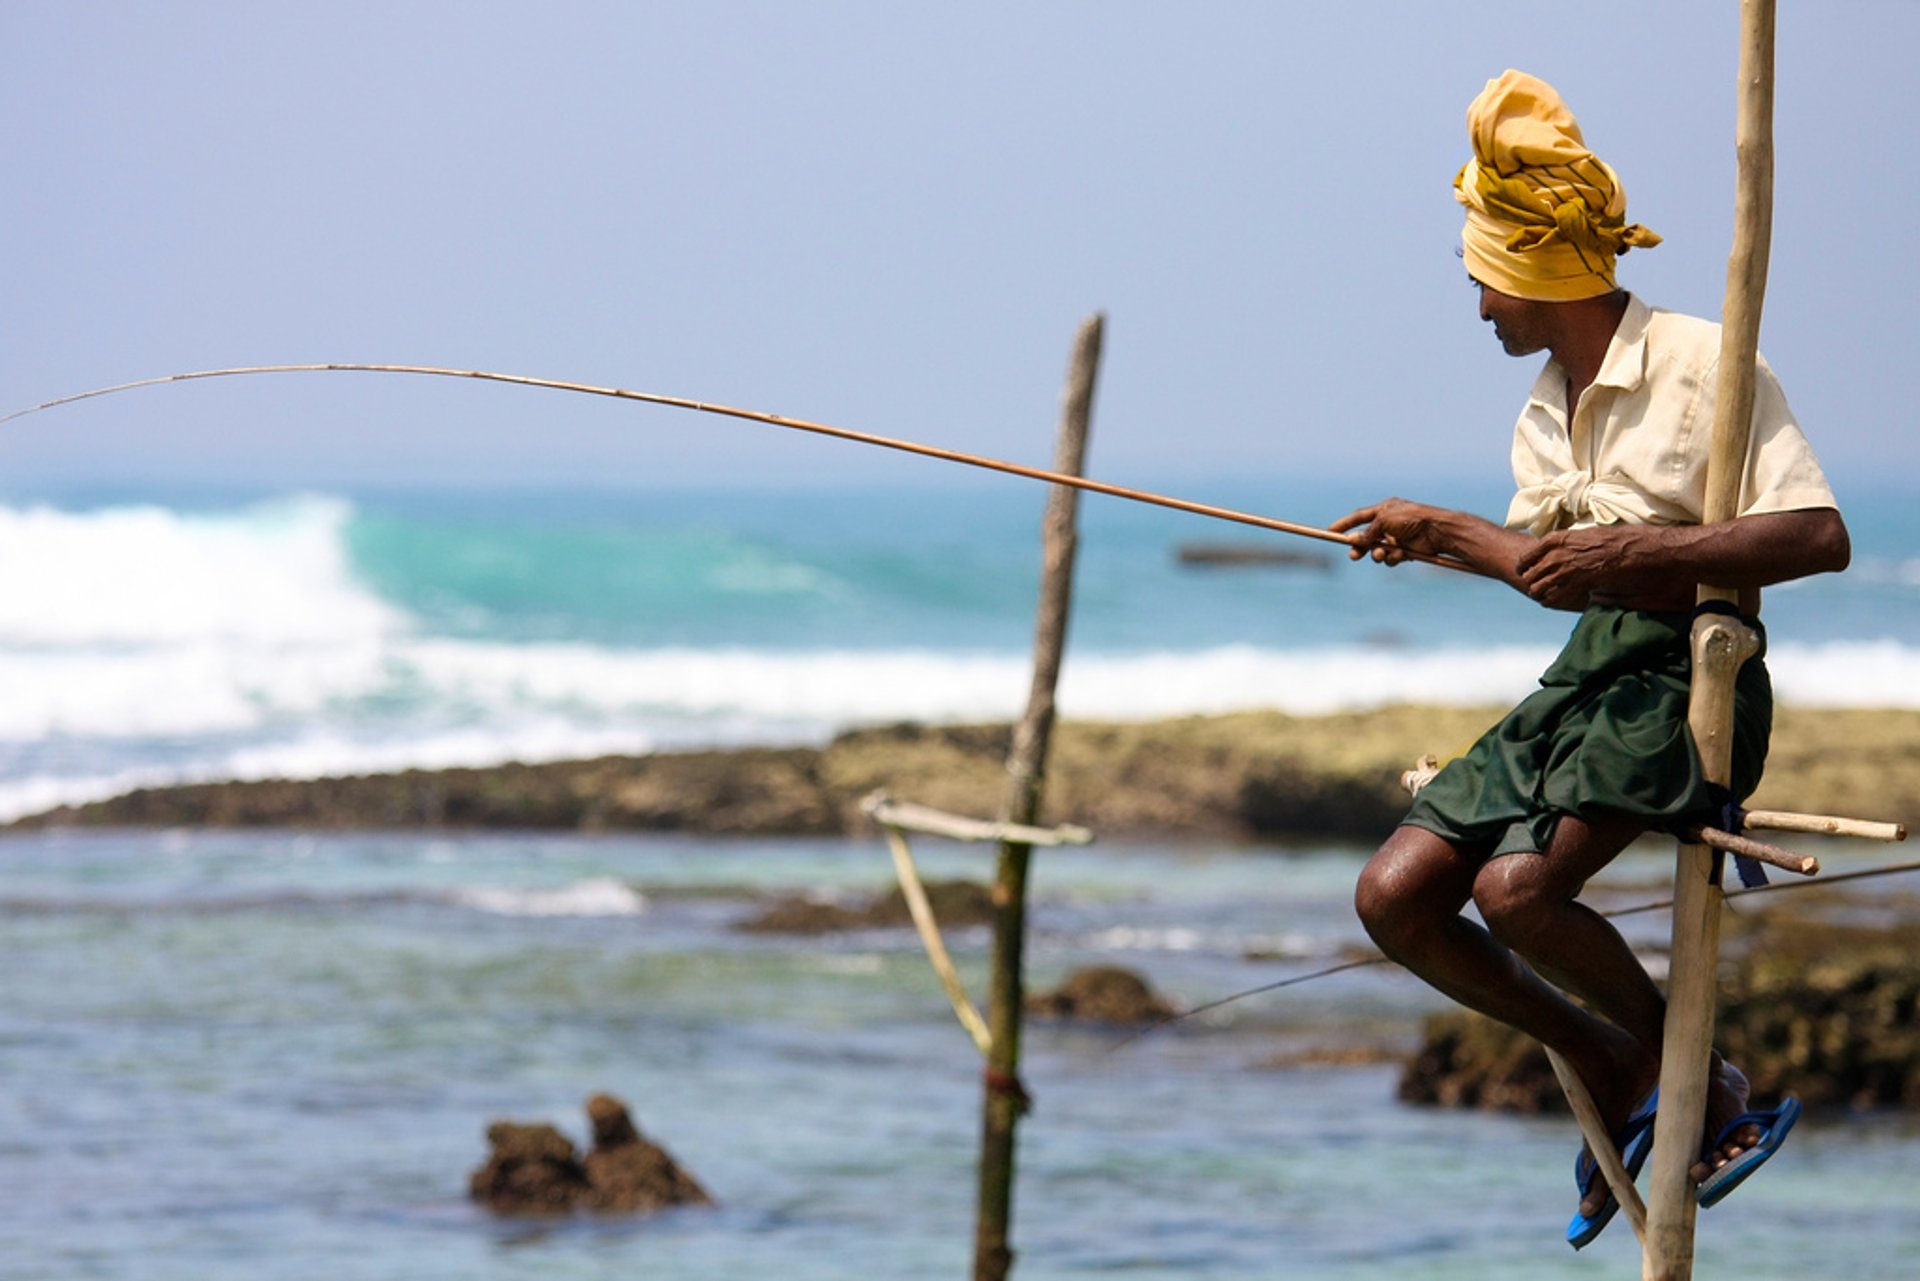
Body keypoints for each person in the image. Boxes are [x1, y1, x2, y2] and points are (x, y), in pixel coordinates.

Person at [1331, 69, 1850, 1248]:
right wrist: (1441, 542)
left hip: (1691, 667)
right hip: (1592, 672)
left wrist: (1615, 549)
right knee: (1395, 897)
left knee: (1516, 892)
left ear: (1529, 274)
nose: (1480, 312)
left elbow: (1816, 537)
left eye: (1483, 284)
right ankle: (1614, 1053)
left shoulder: (1703, 362)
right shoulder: (1542, 407)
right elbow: (1552, 571)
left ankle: (1700, 1072)